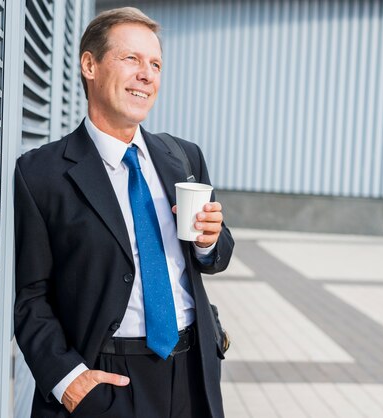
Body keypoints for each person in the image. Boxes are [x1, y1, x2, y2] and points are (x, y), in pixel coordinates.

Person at [14, 7, 234, 418]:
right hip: (105, 381)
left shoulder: (183, 157)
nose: (147, 75)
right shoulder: (40, 173)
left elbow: (217, 253)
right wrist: (69, 380)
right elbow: (29, 296)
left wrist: (209, 240)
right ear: (89, 65)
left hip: (191, 372)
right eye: (131, 59)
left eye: (155, 64)